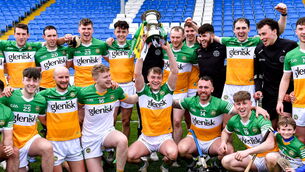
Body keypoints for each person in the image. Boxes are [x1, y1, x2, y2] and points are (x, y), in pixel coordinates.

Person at [213, 3, 288, 105]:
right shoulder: (228, 41)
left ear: (249, 29)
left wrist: (283, 15)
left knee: (250, 118)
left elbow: (277, 31)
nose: (241, 31)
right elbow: (209, 35)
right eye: (238, 28)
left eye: (244, 28)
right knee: (227, 119)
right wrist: (195, 30)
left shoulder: (256, 40)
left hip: (250, 85)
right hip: (230, 85)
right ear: (234, 30)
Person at [127, 39, 178, 172]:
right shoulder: (143, 91)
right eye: (153, 77)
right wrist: (143, 49)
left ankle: (164, 165)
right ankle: (143, 164)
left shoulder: (167, 90)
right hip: (146, 138)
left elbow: (175, 71)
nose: (156, 80)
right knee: (129, 156)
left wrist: (168, 50)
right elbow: (137, 73)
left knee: (173, 154)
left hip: (164, 137)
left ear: (162, 79)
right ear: (148, 78)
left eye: (158, 77)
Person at [78, 64, 138, 172]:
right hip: (90, 138)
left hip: (107, 132)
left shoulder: (115, 90)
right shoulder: (84, 93)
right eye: (105, 77)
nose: (109, 79)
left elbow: (131, 100)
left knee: (122, 140)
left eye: (109, 75)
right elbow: (75, 109)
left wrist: (144, 91)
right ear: (95, 79)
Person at [172, 76, 234, 169]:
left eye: (206, 87)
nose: (203, 90)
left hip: (213, 140)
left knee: (229, 151)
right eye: (200, 87)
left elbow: (240, 110)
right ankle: (193, 163)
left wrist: (255, 108)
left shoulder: (220, 103)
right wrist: (157, 93)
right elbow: (171, 102)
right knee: (181, 149)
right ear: (197, 89)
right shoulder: (191, 101)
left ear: (212, 89)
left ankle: (216, 165)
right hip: (195, 139)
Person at [0, 67, 53, 172]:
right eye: (28, 80)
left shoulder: (41, 101)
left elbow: (43, 120)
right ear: (23, 80)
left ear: (39, 82)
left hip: (31, 140)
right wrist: (7, 88)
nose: (31, 83)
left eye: (35, 80)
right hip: (12, 141)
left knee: (48, 147)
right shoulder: (10, 96)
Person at [38, 67, 85, 172]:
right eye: (60, 77)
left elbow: (95, 89)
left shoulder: (76, 91)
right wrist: (9, 89)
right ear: (53, 78)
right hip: (54, 143)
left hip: (74, 141)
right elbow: (27, 95)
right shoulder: (45, 94)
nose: (64, 80)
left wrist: (112, 83)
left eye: (66, 77)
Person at [254, 18, 298, 129]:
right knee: (270, 127)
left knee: (286, 127)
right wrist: (258, 89)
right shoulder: (258, 49)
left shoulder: (290, 46)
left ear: (274, 31)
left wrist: (293, 91)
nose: (262, 38)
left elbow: (299, 72)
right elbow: (258, 73)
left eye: (264, 33)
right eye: (259, 34)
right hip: (268, 93)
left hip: (287, 94)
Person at [220, 91, 275, 172]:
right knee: (226, 161)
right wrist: (223, 142)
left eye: (244, 103)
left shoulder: (260, 118)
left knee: (271, 158)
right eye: (238, 104)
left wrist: (247, 152)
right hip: (253, 158)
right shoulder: (233, 120)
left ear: (250, 103)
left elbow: (270, 144)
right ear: (235, 105)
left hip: (270, 155)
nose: (241, 107)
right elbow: (225, 132)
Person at [164, 26, 197, 143]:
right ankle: (167, 146)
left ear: (183, 37)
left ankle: (176, 148)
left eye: (178, 37)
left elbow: (198, 70)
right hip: (166, 92)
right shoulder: (164, 49)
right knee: (165, 122)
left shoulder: (191, 52)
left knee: (177, 121)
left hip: (181, 92)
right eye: (172, 37)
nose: (175, 40)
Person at [277, 17, 305, 144]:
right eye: (301, 29)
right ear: (296, 32)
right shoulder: (291, 55)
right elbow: (285, 79)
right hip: (299, 103)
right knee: (301, 139)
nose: (304, 32)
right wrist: (280, 100)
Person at [105, 20, 134, 138]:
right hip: (113, 86)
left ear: (127, 32)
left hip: (128, 86)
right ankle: (111, 147)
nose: (121, 34)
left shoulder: (133, 45)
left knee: (126, 121)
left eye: (123, 31)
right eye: (118, 32)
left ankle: (124, 146)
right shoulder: (109, 46)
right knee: (111, 120)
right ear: (114, 32)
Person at [67, 18, 108, 87]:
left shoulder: (101, 45)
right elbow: (67, 66)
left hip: (96, 86)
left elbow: (112, 62)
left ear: (92, 30)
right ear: (79, 30)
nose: (86, 31)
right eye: (83, 28)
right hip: (79, 87)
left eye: (89, 29)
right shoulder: (72, 47)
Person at [0, 24, 43, 88]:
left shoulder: (34, 46)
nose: (21, 37)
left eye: (23, 34)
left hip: (30, 87)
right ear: (14, 35)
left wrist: (63, 39)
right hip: (13, 88)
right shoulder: (5, 46)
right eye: (18, 34)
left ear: (28, 35)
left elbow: (51, 42)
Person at [196, 24, 226, 98]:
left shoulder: (221, 47)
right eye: (200, 36)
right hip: (203, 89)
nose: (202, 39)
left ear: (212, 36)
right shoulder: (198, 49)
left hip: (218, 89)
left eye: (204, 36)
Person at [35, 26, 69, 90]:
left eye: (54, 35)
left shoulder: (65, 50)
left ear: (57, 36)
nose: (52, 38)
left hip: (62, 86)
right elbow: (38, 72)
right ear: (44, 37)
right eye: (49, 36)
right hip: (45, 88)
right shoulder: (38, 54)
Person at [0, 80, 19, 172]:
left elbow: (7, 138)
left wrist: (8, 148)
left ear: (1, 94)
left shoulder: (7, 112)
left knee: (14, 152)